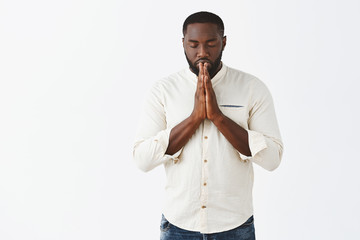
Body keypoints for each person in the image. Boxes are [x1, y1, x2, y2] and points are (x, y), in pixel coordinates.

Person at [133, 11, 283, 240]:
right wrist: (194, 118)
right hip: (178, 225)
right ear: (183, 44)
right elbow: (142, 160)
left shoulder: (252, 88)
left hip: (235, 225)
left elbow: (272, 159)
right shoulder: (163, 91)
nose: (202, 53)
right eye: (193, 45)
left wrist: (218, 117)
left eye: (211, 44)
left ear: (224, 42)